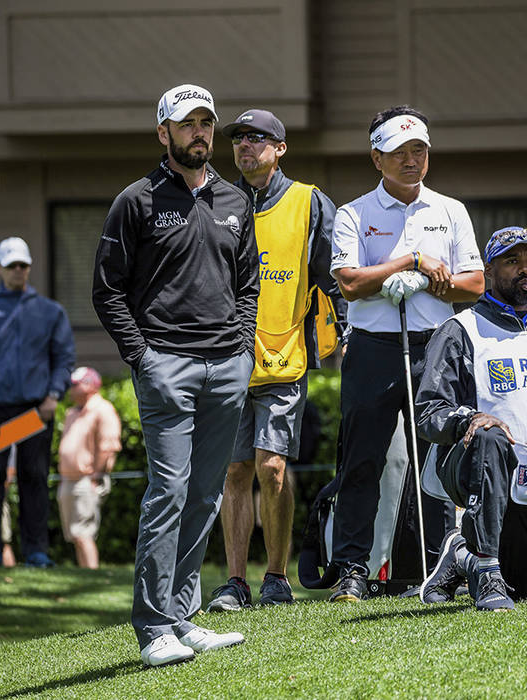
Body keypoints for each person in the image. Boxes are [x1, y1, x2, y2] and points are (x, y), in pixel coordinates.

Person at [93, 84, 257, 667]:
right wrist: (143, 359)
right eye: (186, 124)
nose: (199, 133)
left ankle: (182, 616)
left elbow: (248, 285)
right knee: (169, 492)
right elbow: (107, 290)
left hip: (226, 368)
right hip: (167, 367)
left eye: (205, 123)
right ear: (163, 133)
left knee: (207, 495)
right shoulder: (135, 201)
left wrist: (241, 349)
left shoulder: (236, 202)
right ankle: (152, 627)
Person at [328, 105, 485, 602]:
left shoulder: (449, 210)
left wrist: (433, 284)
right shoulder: (355, 214)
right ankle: (353, 569)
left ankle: (434, 565)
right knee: (361, 461)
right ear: (377, 158)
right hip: (372, 349)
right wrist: (411, 260)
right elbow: (350, 283)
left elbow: (475, 284)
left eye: (419, 150)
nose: (411, 161)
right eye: (399, 153)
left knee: (435, 459)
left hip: (435, 347)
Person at [206, 109, 342, 612]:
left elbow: (333, 272)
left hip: (285, 358)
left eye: (257, 138)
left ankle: (277, 577)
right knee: (236, 471)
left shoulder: (309, 201)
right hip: (227, 360)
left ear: (280, 148)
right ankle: (236, 583)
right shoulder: (217, 200)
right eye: (239, 139)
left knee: (274, 468)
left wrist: (344, 331)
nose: (245, 146)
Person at [417, 227, 527, 610]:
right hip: (470, 464)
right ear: (488, 270)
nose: (525, 269)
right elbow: (428, 412)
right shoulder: (461, 330)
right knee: (490, 434)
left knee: (518, 587)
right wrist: (470, 418)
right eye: (512, 260)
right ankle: (484, 565)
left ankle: (461, 554)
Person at [0, 235, 75, 568]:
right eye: (11, 265)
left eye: (23, 265)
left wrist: (53, 395)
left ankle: (36, 552)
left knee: (34, 477)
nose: (18, 270)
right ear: (1, 269)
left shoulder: (48, 312)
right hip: (0, 412)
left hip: (33, 411)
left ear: (29, 267)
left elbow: (63, 357)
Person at [56, 367, 121, 569]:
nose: (71, 389)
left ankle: (92, 572)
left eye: (76, 384)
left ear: (91, 386)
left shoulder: (103, 409)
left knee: (84, 533)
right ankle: (85, 571)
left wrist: (96, 475)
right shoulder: (72, 412)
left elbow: (108, 446)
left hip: (87, 480)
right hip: (68, 480)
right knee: (75, 534)